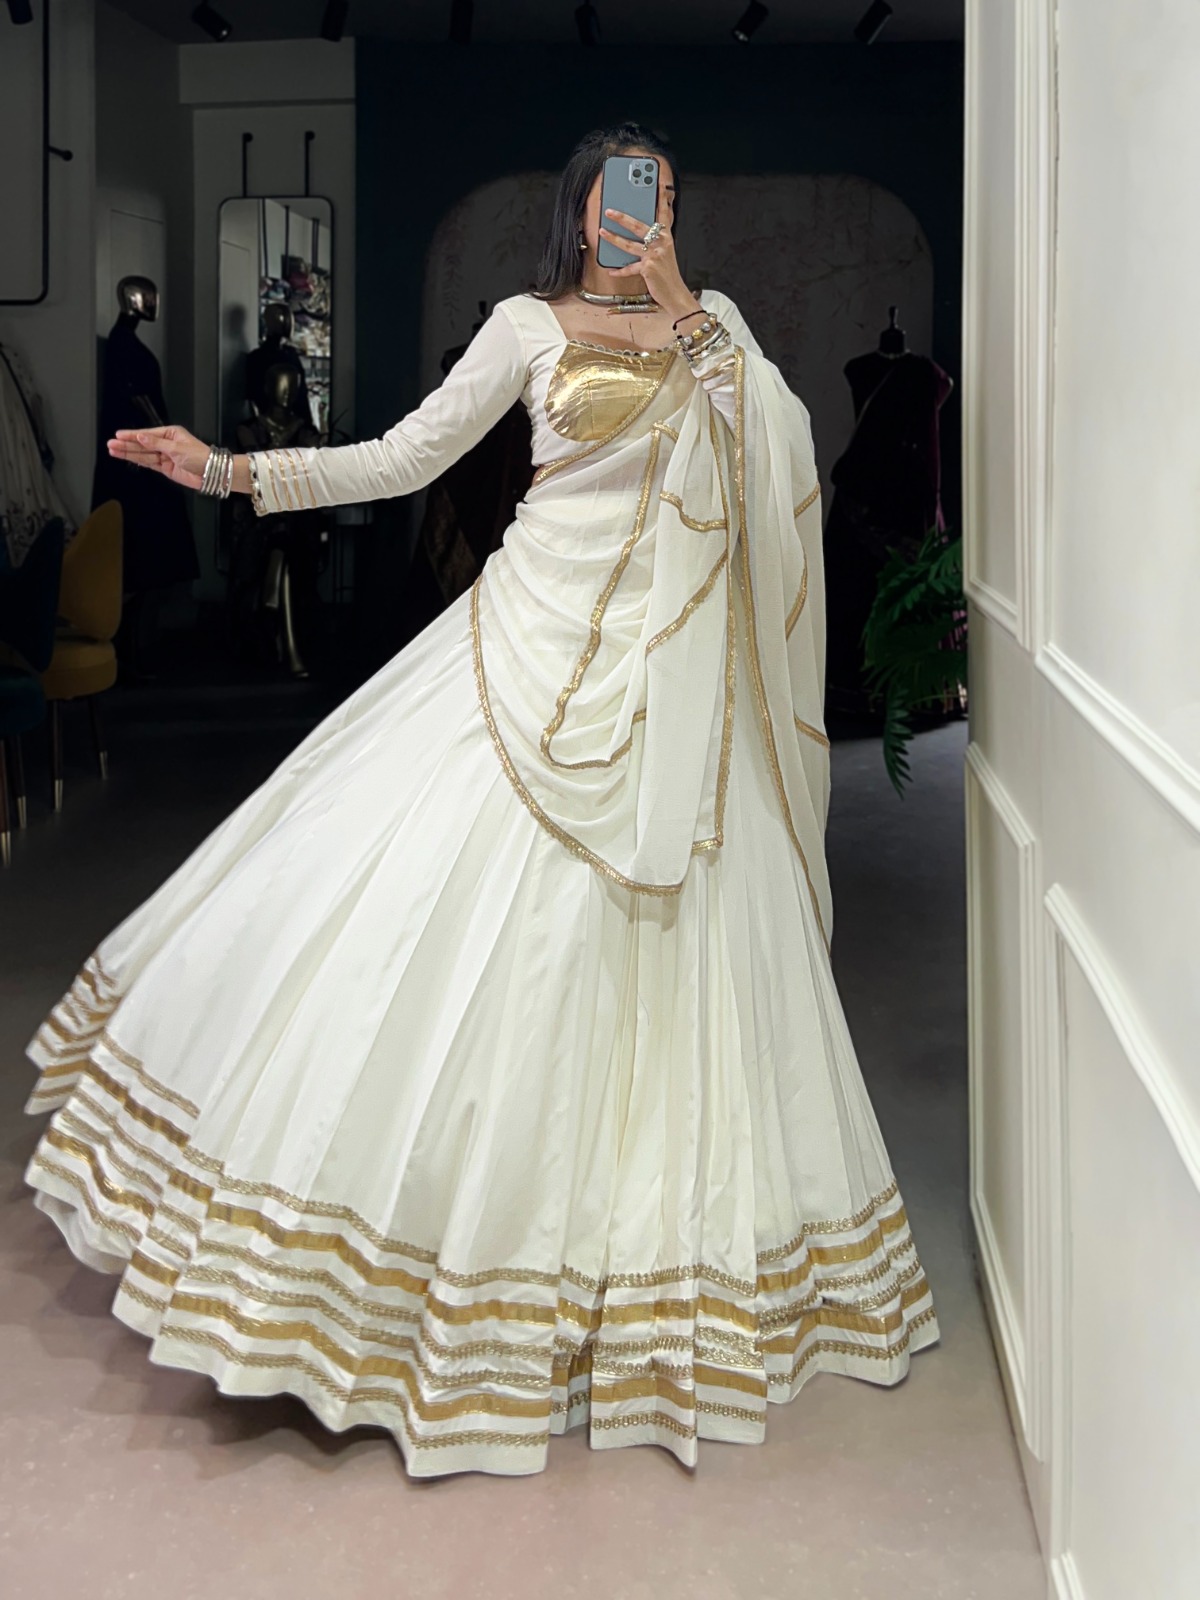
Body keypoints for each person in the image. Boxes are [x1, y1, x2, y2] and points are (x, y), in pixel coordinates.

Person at [21, 124, 940, 1480]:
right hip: (521, 660)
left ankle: (652, 1287)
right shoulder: (523, 326)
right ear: (579, 208)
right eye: (624, 194)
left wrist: (683, 303)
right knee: (439, 936)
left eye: (664, 195)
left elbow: (778, 453)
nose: (644, 213)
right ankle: (417, 1280)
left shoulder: (716, 328)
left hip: (675, 693)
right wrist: (225, 470)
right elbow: (402, 457)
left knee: (680, 965)